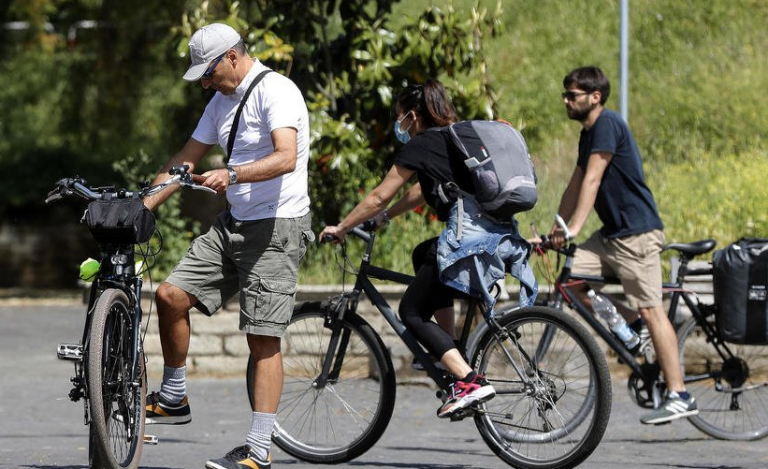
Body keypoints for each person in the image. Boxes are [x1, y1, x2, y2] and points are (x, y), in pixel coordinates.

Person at [141, 23, 313, 469]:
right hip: (233, 224)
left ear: (232, 57)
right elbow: (185, 160)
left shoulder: (278, 91)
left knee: (263, 340)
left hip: (276, 228)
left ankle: (258, 453)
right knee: (169, 295)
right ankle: (175, 395)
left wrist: (233, 174)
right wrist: (141, 207)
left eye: (209, 71)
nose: (205, 82)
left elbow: (286, 156)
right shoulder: (220, 101)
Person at [320, 79, 536, 418]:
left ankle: (466, 380)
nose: (399, 126)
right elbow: (420, 192)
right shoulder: (451, 139)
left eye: (399, 118)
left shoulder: (420, 145)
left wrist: (343, 227)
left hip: (470, 238)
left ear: (412, 116)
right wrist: (386, 217)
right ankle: (448, 352)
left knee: (411, 312)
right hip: (499, 233)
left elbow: (380, 194)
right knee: (424, 254)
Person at [549, 65, 697, 425]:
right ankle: (629, 329)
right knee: (569, 283)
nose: (566, 101)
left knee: (652, 309)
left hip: (637, 235)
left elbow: (594, 180)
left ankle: (680, 394)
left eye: (573, 95)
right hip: (612, 237)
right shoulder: (587, 135)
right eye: (565, 95)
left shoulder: (607, 125)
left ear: (595, 97)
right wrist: (558, 227)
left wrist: (577, 226)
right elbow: (575, 183)